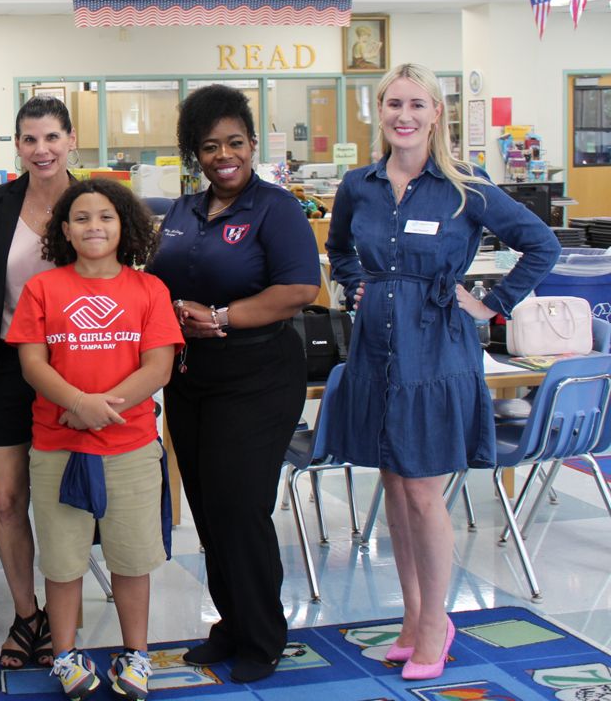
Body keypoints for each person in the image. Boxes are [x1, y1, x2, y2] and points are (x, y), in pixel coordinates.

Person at [324, 63, 559, 681]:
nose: (404, 115)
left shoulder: (467, 187)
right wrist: (354, 288)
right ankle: (412, 615)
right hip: (376, 349)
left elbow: (542, 244)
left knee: (425, 493)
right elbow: (340, 248)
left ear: (437, 114)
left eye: (416, 104)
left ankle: (436, 623)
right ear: (379, 111)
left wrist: (493, 303)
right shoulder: (359, 185)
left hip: (439, 353)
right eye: (393, 103)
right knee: (397, 489)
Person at [146, 84, 320, 684]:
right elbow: (155, 281)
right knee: (207, 505)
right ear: (195, 153)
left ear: (252, 143)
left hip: (258, 375)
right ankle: (230, 621)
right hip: (191, 379)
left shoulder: (276, 208)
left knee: (241, 507)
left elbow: (300, 288)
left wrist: (220, 316)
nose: (225, 155)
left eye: (236, 143)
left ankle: (262, 634)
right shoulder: (184, 211)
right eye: (211, 146)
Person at [8, 178, 181, 701]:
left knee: (132, 560)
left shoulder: (149, 289)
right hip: (59, 448)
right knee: (63, 563)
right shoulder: (44, 289)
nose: (94, 227)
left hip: (130, 447)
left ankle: (136, 654)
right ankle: (64, 654)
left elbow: (159, 366)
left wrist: (104, 408)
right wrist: (77, 405)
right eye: (81, 218)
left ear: (123, 225)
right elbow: (32, 362)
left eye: (105, 216)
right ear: (64, 230)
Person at [0, 95, 78, 670]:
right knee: (7, 499)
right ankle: (28, 618)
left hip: (76, 372)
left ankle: (63, 617)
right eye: (29, 139)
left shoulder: (95, 204)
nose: (41, 149)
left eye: (51, 137)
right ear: (18, 146)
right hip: (5, 368)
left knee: (61, 501)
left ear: (70, 140)